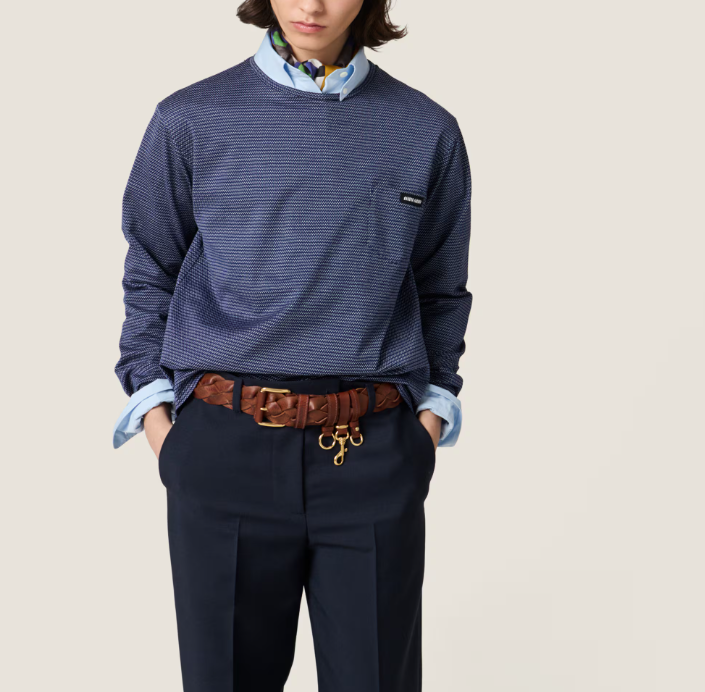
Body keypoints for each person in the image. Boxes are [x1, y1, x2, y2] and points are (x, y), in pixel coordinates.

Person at [111, 1, 472, 689]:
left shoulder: (425, 128)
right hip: (223, 446)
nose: (311, 4)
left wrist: (427, 422)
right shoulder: (188, 119)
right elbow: (150, 268)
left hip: (372, 453)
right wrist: (160, 423)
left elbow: (440, 287)